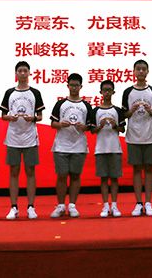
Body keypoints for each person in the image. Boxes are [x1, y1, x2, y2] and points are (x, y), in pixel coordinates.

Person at [0, 61, 45, 220]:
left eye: (25, 71)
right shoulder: (9, 92)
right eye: (20, 71)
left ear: (29, 73)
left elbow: (40, 116)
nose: (23, 73)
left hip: (30, 137)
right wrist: (9, 117)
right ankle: (14, 207)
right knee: (14, 171)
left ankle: (31, 206)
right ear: (16, 73)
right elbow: (3, 115)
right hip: (13, 137)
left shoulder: (35, 93)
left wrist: (33, 118)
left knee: (30, 171)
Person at [122, 59, 152, 216]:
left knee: (149, 169)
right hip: (133, 136)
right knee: (137, 169)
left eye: (143, 69)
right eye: (138, 69)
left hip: (150, 135)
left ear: (147, 72)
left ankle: (149, 203)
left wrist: (151, 112)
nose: (140, 71)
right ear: (133, 71)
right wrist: (130, 111)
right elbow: (123, 115)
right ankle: (138, 203)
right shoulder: (128, 92)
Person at [50, 73, 93, 218]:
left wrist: (84, 127)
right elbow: (53, 123)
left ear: (81, 87)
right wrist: (60, 124)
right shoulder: (61, 104)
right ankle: (61, 206)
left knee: (75, 175)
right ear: (67, 86)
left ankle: (72, 205)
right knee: (62, 175)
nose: (74, 88)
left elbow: (90, 127)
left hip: (79, 145)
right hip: (61, 145)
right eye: (72, 85)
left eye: (76, 85)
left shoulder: (86, 105)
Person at [90, 80, 126, 217]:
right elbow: (92, 130)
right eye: (104, 90)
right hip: (101, 149)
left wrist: (115, 125)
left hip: (115, 148)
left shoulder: (117, 110)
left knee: (115, 178)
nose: (107, 92)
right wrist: (100, 125)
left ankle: (115, 206)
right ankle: (105, 206)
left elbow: (122, 129)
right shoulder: (95, 111)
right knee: (104, 178)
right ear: (101, 92)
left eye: (109, 90)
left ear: (113, 92)